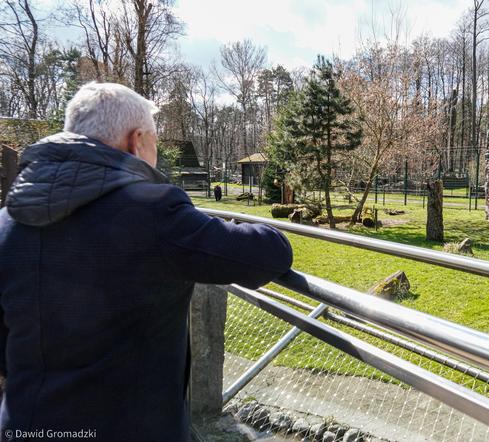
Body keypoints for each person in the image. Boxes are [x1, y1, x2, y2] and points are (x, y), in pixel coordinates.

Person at [0, 83, 293, 441]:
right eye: (155, 141)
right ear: (137, 140)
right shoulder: (153, 212)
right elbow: (269, 254)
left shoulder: (7, 220)